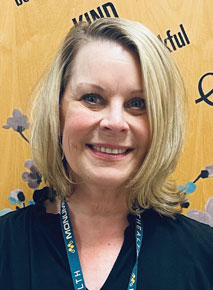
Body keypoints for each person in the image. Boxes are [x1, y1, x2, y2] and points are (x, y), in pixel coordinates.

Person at [0, 17, 212, 290]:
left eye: (138, 103)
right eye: (92, 98)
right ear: (58, 109)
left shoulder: (205, 256)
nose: (114, 122)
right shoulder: (6, 246)